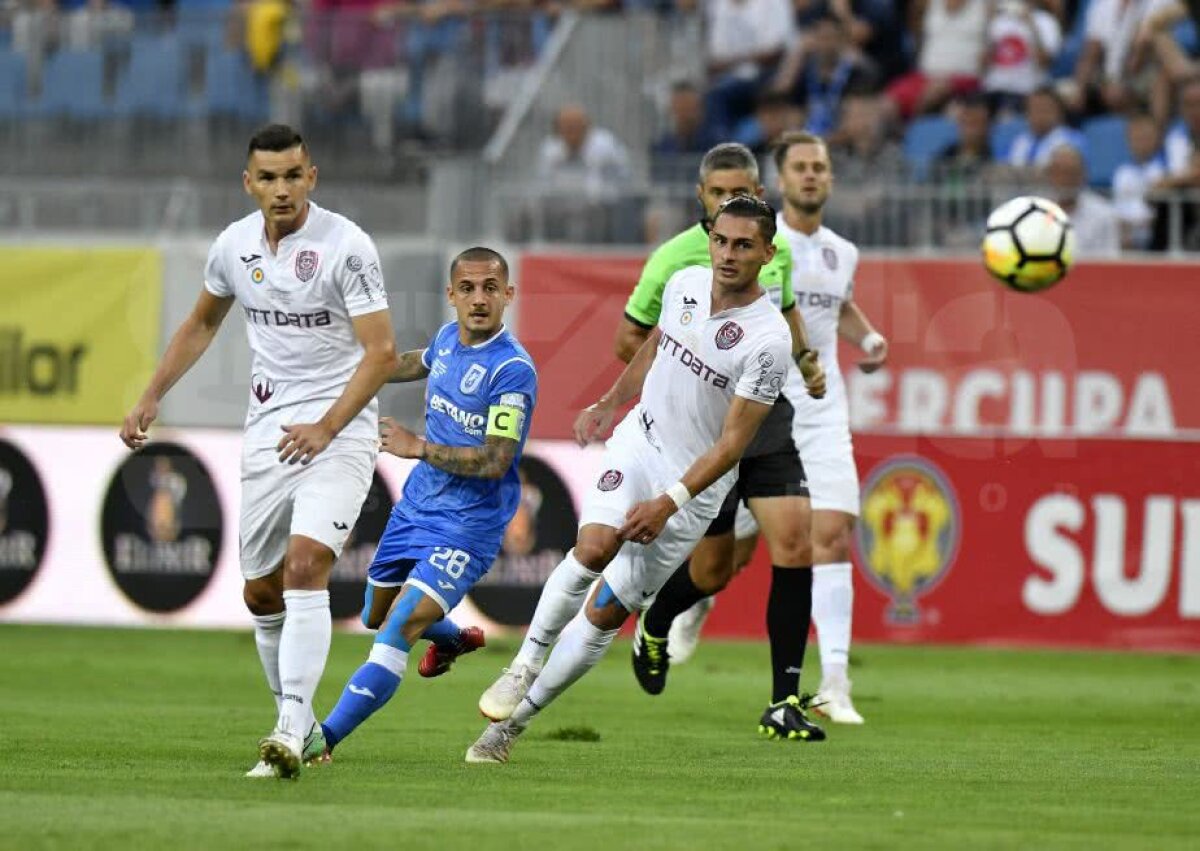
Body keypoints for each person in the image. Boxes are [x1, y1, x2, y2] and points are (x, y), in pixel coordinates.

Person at [466, 196, 819, 764]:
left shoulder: (769, 340)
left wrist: (669, 501)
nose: (729, 254)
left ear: (767, 253)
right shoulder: (684, 282)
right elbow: (656, 344)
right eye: (722, 241)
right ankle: (522, 663)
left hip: (691, 493)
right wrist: (611, 400)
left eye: (744, 245)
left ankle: (511, 727)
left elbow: (733, 445)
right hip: (639, 442)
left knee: (607, 610)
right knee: (593, 546)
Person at [119, 124, 399, 779]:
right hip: (270, 430)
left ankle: (290, 723)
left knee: (306, 566)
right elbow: (202, 322)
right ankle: (295, 724)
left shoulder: (346, 246)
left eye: (292, 175)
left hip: (341, 430)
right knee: (259, 591)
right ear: (249, 183)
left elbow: (382, 353)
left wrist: (329, 426)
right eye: (267, 178)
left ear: (312, 177)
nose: (281, 189)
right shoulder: (233, 245)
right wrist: (150, 396)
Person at [316, 247, 538, 757]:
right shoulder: (445, 339)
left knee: (396, 627)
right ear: (451, 295)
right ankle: (454, 638)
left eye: (489, 289)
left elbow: (496, 460)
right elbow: (422, 362)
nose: (478, 300)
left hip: (468, 524)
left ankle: (321, 739)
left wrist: (417, 447)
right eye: (467, 289)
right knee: (376, 612)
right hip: (417, 507)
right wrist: (369, 364)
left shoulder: (512, 370)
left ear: (508, 295)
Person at [613, 142, 822, 677]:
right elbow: (630, 337)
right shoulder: (676, 260)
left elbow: (789, 312)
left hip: (767, 418)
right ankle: (658, 620)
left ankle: (786, 701)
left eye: (739, 193)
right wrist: (694, 370)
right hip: (706, 429)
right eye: (718, 194)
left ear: (757, 193)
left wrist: (805, 361)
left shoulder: (775, 250)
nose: (728, 202)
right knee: (714, 570)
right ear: (701, 198)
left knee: (796, 544)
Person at [1044, 144, 1121, 257]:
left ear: (1084, 175)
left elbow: (1109, 262)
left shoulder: (1103, 214)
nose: (1066, 180)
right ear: (1049, 175)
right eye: (1060, 173)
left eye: (1072, 173)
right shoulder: (1035, 212)